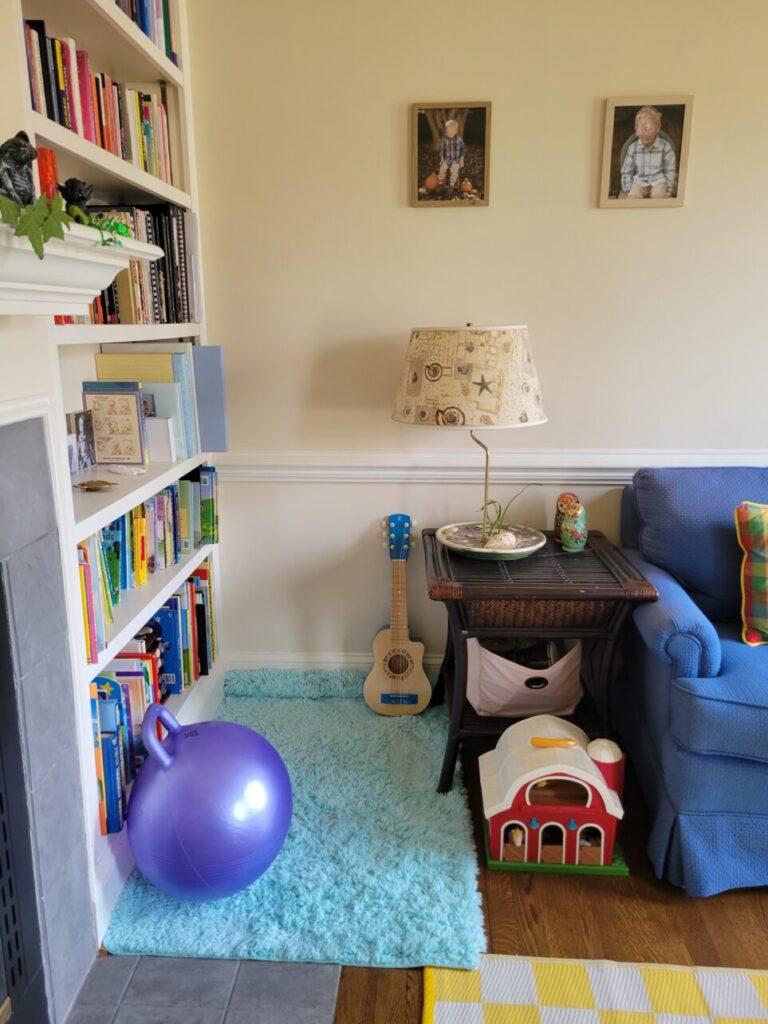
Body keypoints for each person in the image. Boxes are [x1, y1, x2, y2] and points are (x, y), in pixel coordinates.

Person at [620, 106, 677, 199]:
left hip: (659, 181)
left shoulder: (665, 147)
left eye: (650, 127)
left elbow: (670, 169)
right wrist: (628, 189)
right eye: (643, 127)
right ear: (636, 130)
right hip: (639, 182)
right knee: (633, 196)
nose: (646, 131)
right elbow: (627, 170)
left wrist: (668, 190)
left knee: (658, 195)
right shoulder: (633, 148)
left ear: (658, 128)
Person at [438, 119, 465, 191]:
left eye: (450, 131)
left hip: (455, 160)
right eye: (447, 131)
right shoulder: (444, 140)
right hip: (447, 159)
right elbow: (442, 151)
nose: (448, 132)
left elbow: (462, 151)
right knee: (442, 169)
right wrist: (441, 160)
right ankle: (440, 183)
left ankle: (451, 185)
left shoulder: (459, 140)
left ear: (455, 131)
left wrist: (461, 160)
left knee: (454, 170)